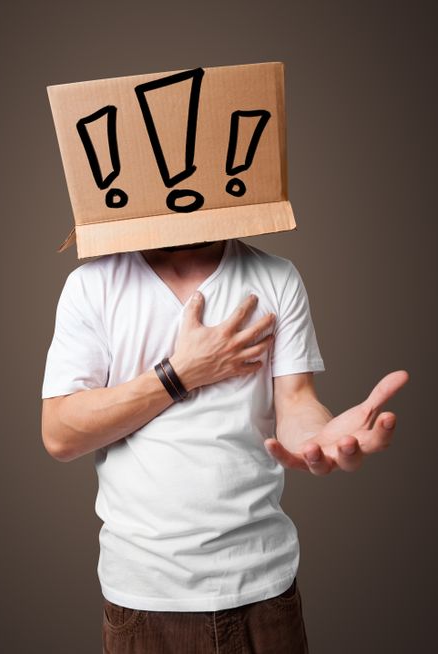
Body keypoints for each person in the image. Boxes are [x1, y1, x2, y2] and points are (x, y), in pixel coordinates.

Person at [41, 238, 408, 654]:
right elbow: (60, 433)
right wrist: (181, 373)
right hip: (146, 598)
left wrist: (317, 438)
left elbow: (296, 402)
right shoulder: (92, 285)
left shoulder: (276, 276)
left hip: (264, 590)